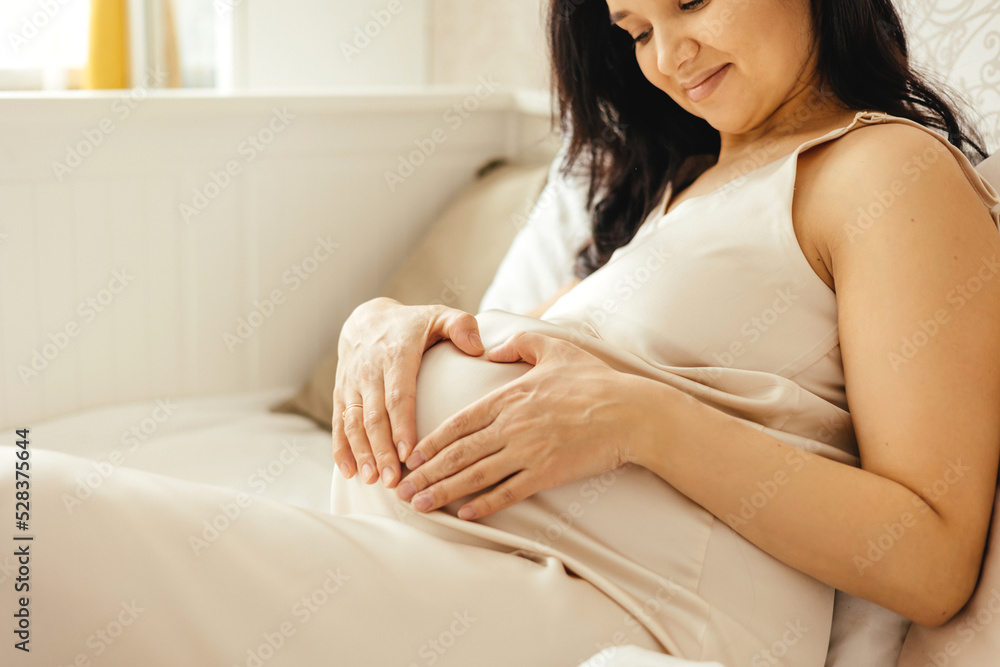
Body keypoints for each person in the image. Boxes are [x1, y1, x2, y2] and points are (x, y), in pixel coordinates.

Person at [5, 1, 1000, 666]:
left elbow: (929, 553)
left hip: (646, 616)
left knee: (28, 518)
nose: (669, 56)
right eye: (636, 28)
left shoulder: (883, 172)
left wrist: (642, 419)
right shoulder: (684, 185)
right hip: (470, 567)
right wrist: (386, 327)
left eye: (692, 0)